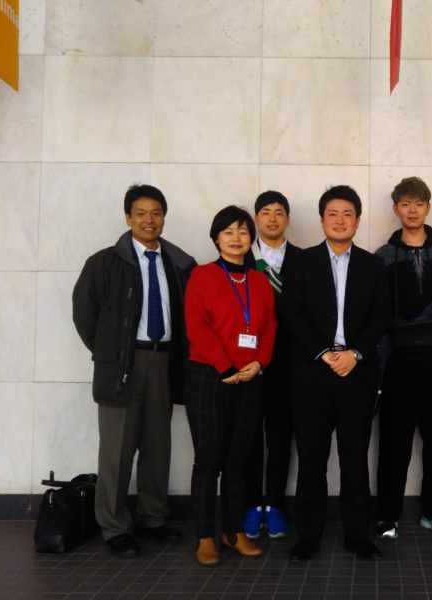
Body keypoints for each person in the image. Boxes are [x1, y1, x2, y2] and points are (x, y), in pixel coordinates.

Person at [72, 184, 196, 559]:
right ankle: (114, 526)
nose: (149, 220)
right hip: (123, 366)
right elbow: (84, 314)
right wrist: (111, 353)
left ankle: (152, 518)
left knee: (158, 445)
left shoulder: (178, 263)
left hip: (164, 361)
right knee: (117, 450)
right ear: (128, 218)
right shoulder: (103, 263)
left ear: (164, 218)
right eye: (140, 213)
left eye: (156, 213)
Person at [281, 185, 391, 561]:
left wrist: (355, 354)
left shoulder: (373, 266)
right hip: (312, 375)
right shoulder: (301, 262)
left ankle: (358, 535)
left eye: (348, 214)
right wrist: (324, 353)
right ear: (321, 219)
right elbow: (291, 313)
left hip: (356, 375)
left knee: (354, 459)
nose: (340, 220)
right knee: (311, 459)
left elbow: (381, 316)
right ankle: (308, 536)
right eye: (333, 213)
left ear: (357, 221)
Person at [184, 206, 277, 566]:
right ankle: (205, 535)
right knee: (209, 461)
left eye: (242, 231)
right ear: (216, 238)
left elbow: (268, 327)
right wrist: (225, 367)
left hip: (250, 378)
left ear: (251, 237)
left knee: (239, 460)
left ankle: (234, 531)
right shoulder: (203, 276)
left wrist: (260, 362)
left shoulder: (259, 280)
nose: (236, 238)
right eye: (228, 232)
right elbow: (197, 326)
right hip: (210, 377)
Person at [374, 177, 432, 540]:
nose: (412, 210)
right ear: (395, 209)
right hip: (396, 359)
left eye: (419, 204)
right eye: (405, 204)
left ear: (428, 208)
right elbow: (376, 308)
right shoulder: (383, 255)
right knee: (393, 443)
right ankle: (387, 516)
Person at [243, 191, 302, 540]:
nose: (273, 218)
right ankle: (252, 506)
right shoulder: (241, 257)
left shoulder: (304, 259)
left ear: (288, 219)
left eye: (279, 212)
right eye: (265, 212)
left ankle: (276, 506)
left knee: (281, 438)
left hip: (289, 363)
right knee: (249, 438)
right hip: (248, 362)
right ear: (256, 219)